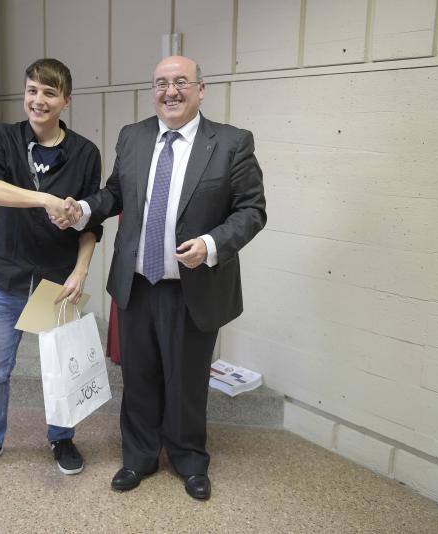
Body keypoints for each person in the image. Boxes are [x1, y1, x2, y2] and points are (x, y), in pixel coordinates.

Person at [56, 55, 266, 500]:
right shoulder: (133, 137)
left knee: (187, 379)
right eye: (160, 84)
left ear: (201, 89)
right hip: (137, 284)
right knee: (140, 376)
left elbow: (251, 210)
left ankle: (189, 459)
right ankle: (139, 457)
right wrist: (85, 210)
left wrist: (210, 244)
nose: (170, 91)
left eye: (181, 82)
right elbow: (115, 193)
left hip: (193, 287)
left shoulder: (230, 142)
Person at [0, 58, 102, 479]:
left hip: (58, 278)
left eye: (49, 93)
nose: (39, 100)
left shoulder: (86, 153)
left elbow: (91, 224)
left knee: (61, 366)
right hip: (7, 276)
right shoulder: (3, 138)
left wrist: (81, 270)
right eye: (32, 90)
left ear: (65, 101)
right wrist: (48, 200)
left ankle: (62, 437)